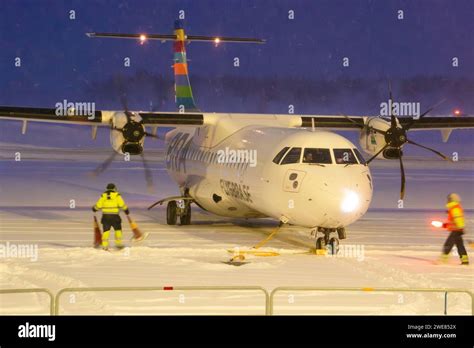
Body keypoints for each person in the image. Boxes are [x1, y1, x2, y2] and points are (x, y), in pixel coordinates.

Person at [92, 183, 129, 250]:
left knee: (106, 231)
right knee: (118, 230)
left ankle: (105, 245)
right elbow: (122, 204)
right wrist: (126, 210)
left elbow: (98, 205)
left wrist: (94, 209)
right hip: (115, 217)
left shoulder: (103, 196)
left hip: (106, 217)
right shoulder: (117, 195)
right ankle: (118, 244)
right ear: (114, 188)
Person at [440, 193, 469, 265]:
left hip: (456, 230)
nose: (447, 200)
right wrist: (445, 225)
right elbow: (453, 221)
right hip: (457, 230)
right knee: (460, 245)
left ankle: (442, 261)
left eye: (448, 199)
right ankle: (465, 261)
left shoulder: (454, 208)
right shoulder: (454, 208)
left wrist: (461, 227)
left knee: (448, 245)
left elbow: (458, 219)